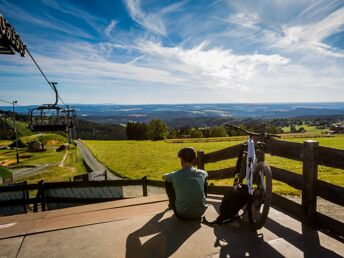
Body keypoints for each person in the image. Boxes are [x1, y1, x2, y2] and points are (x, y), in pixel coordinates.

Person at [162, 147, 208, 219]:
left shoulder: (175, 175)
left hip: (182, 214)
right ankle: (200, 203)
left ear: (181, 160)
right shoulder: (203, 173)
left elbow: (163, 177)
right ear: (193, 160)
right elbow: (205, 175)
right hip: (200, 212)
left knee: (168, 181)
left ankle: (172, 204)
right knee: (204, 180)